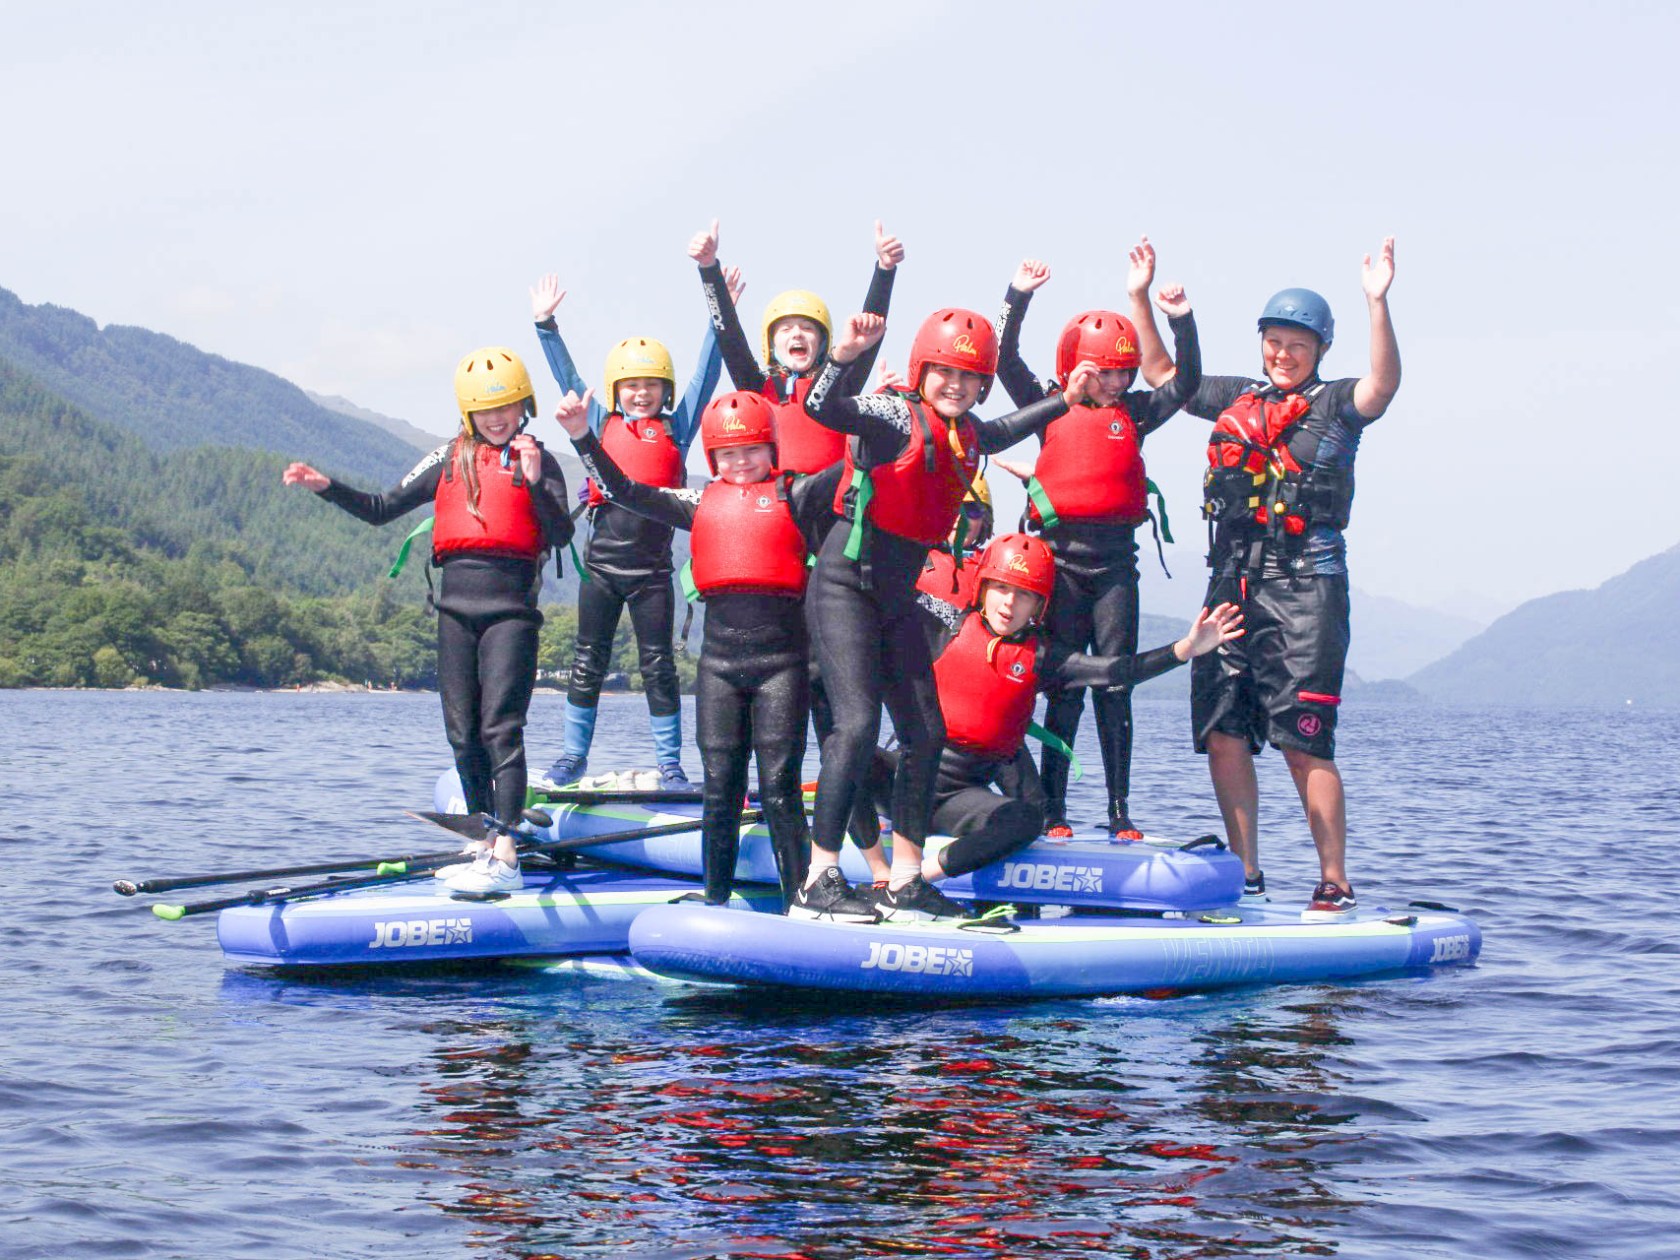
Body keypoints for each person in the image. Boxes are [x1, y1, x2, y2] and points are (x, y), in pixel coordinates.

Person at [795, 305, 1097, 921]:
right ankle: (817, 880)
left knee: (926, 733)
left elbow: (1008, 428)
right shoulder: (893, 415)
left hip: (895, 598)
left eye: (970, 377)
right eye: (945, 373)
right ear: (922, 370)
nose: (956, 385)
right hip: (844, 587)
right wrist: (843, 358)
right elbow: (824, 409)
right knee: (854, 727)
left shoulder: (966, 434)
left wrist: (1064, 400)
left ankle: (905, 880)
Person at [282, 347, 574, 893]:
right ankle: (481, 838)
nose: (498, 418)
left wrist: (534, 481)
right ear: (468, 413)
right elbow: (379, 508)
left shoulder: (540, 459)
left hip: (512, 613)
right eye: (486, 410)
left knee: (501, 728)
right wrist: (328, 489)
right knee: (462, 733)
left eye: (508, 406)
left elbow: (560, 535)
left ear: (524, 405)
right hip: (454, 612)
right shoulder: (446, 458)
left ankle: (507, 850)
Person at [552, 387, 844, 910]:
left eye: (752, 450)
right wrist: (582, 436)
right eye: (729, 454)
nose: (741, 462)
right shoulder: (699, 500)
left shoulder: (794, 495)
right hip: (719, 667)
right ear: (712, 459)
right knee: (719, 787)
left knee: (779, 785)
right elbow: (621, 488)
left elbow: (850, 467)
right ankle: (715, 900)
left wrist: (882, 410)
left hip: (782, 664)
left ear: (772, 450)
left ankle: (798, 901)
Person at [1176, 237, 1400, 914]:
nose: (1283, 353)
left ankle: (1334, 877)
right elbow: (1166, 376)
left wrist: (1377, 302)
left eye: (1297, 343)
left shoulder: (1336, 405)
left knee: (1304, 739)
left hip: (1308, 586)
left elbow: (1383, 385)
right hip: (1233, 582)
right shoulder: (1236, 396)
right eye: (1274, 341)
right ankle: (1245, 872)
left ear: (1320, 350)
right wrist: (1147, 301)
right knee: (1222, 728)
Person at [858, 533, 1244, 918]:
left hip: (959, 799)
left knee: (1026, 819)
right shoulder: (947, 624)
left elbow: (1114, 670)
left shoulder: (1043, 657)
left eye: (1022, 594)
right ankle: (876, 870)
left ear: (1038, 607)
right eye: (1001, 588)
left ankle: (915, 879)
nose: (1009, 603)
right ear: (984, 587)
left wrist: (1185, 650)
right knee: (850, 755)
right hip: (902, 783)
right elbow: (888, 591)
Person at [992, 246, 1202, 841]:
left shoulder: (1134, 414)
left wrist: (1179, 318)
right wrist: (1018, 295)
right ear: (1072, 369)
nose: (1113, 383)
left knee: (1115, 684)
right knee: (1061, 689)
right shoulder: (1047, 407)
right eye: (1101, 372)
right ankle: (1054, 811)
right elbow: (1004, 356)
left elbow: (1184, 382)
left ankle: (1118, 810)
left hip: (1116, 570)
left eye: (1121, 372)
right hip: (1055, 567)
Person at [528, 270, 728, 787]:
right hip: (602, 570)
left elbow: (707, 375)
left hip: (653, 575)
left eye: (652, 385)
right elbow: (566, 377)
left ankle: (669, 764)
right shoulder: (597, 420)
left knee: (659, 667)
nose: (642, 394)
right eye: (632, 386)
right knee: (586, 663)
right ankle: (572, 758)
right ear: (617, 390)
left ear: (664, 390)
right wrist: (546, 325)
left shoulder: (678, 428)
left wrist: (717, 317)